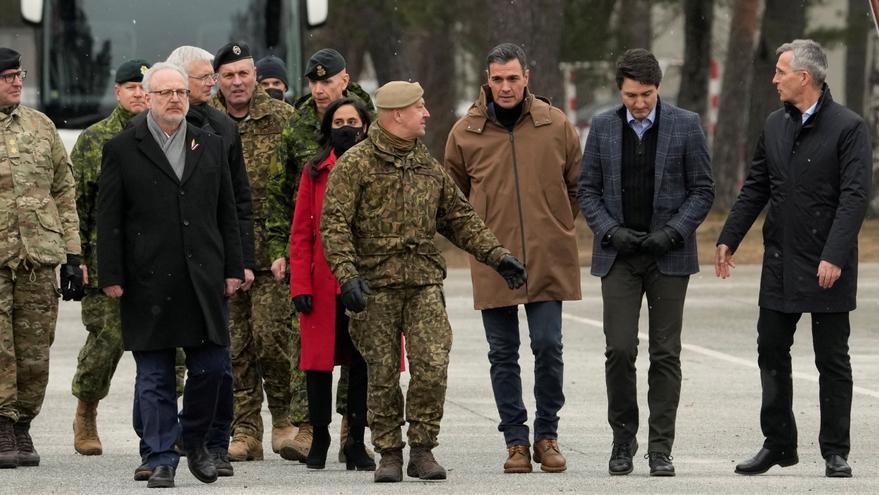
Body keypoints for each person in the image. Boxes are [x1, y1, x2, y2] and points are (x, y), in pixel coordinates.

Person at [320, 80, 527, 483]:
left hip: (422, 284)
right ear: (398, 114)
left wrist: (498, 257)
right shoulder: (356, 164)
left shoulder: (426, 166)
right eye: (420, 107)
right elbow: (334, 225)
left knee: (432, 365)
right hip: (373, 287)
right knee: (381, 372)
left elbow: (460, 219)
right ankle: (390, 453)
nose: (427, 113)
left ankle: (422, 449)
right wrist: (347, 276)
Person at [716, 39, 870, 479]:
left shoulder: (849, 126)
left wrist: (835, 255)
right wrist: (730, 237)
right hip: (781, 263)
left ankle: (835, 451)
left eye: (781, 71)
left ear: (805, 77)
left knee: (832, 360)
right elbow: (757, 185)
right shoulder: (774, 124)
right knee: (770, 350)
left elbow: (855, 196)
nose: (774, 78)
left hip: (827, 264)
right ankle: (779, 443)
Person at [97, 62, 243, 488]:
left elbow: (227, 213)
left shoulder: (211, 144)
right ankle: (161, 457)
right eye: (165, 93)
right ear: (148, 97)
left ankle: (193, 440)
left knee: (213, 368)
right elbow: (109, 219)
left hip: (204, 278)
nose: (176, 99)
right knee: (155, 376)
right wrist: (111, 273)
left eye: (181, 91)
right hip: (147, 279)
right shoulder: (123, 148)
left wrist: (235, 268)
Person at [443, 42, 581, 474]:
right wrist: (482, 242)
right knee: (502, 353)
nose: (505, 87)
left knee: (548, 345)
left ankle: (547, 435)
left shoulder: (555, 124)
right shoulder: (465, 132)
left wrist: (556, 224)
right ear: (488, 80)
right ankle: (516, 442)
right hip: (493, 261)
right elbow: (452, 198)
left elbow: (577, 183)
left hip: (548, 256)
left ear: (527, 79)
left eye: (513, 78)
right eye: (498, 79)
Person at [579, 48, 714, 477]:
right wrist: (611, 231)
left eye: (647, 94)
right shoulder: (601, 127)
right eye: (632, 95)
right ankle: (623, 439)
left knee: (665, 353)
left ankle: (660, 448)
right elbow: (588, 191)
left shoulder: (686, 125)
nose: (639, 103)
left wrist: (673, 233)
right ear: (620, 90)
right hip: (619, 254)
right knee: (619, 348)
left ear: (659, 88)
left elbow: (703, 190)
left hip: (668, 255)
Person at [272, 47, 375, 463]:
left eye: (326, 80)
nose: (318, 88)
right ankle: (316, 434)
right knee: (315, 361)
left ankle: (356, 436)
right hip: (319, 275)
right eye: (313, 82)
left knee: (363, 360)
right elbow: (295, 222)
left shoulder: (375, 131)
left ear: (344, 80)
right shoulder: (308, 155)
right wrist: (296, 275)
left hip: (364, 273)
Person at [208, 41, 304, 462]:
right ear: (218, 81)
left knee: (273, 339)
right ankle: (244, 428)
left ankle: (284, 419)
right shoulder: (204, 121)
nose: (237, 82)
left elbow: (301, 185)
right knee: (235, 345)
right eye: (228, 75)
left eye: (243, 73)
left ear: (254, 75)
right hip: (223, 254)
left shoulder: (285, 118)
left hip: (272, 255)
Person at [0, 47, 83, 469]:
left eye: (20, 74)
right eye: (8, 76)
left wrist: (73, 254)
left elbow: (64, 192)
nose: (17, 81)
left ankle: (22, 425)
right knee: (0, 349)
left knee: (35, 349)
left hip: (37, 258)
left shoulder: (40, 126)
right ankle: (1, 424)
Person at [69, 58, 151, 457]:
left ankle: (159, 425)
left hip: (156, 261)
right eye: (131, 86)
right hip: (107, 261)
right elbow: (78, 206)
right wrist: (79, 256)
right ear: (117, 92)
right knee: (107, 342)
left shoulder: (166, 133)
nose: (139, 93)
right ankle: (86, 412)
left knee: (172, 350)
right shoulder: (94, 139)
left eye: (144, 86)